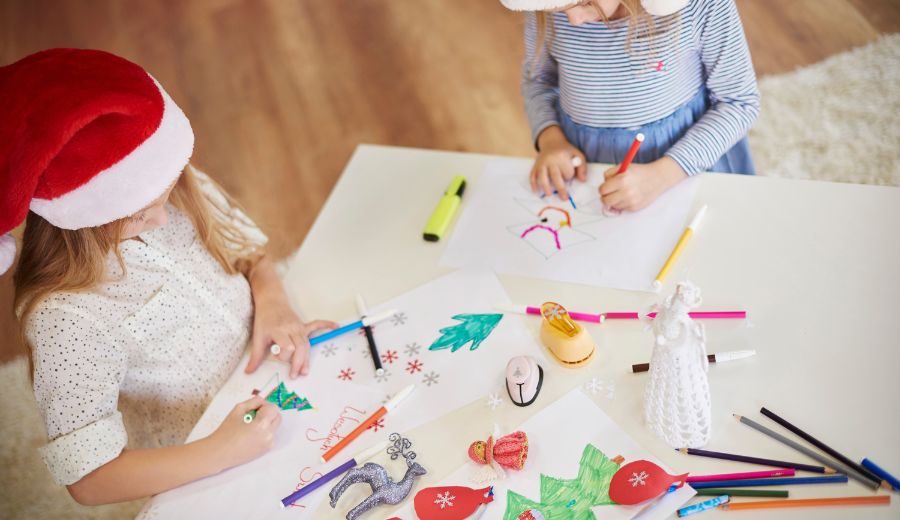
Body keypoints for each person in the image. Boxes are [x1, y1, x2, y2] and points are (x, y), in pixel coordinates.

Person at [0, 48, 336, 505]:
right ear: (81, 213)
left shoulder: (173, 183)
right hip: (200, 461)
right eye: (140, 215)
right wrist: (221, 452)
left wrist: (273, 301)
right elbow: (89, 479)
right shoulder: (65, 319)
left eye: (164, 196)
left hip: (272, 387)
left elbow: (249, 254)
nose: (162, 219)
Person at [501, 0, 760, 211]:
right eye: (559, 10)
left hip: (687, 163)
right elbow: (538, 81)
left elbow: (739, 103)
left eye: (586, 3)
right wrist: (551, 140)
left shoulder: (700, 5)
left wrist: (663, 175)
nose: (574, 20)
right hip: (590, 163)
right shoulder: (543, 6)